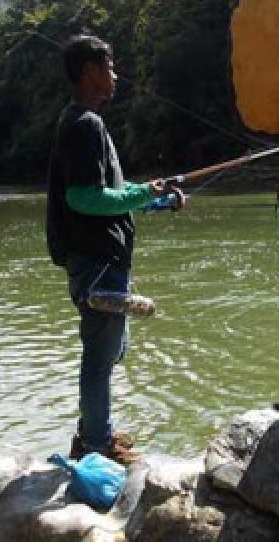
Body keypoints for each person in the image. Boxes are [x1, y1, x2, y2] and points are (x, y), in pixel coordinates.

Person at [46, 35, 184, 466]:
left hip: (100, 259)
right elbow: (84, 199)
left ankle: (94, 431)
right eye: (109, 67)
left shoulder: (83, 122)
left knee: (110, 349)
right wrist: (142, 192)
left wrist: (155, 199)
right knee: (101, 354)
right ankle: (94, 442)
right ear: (90, 72)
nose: (115, 75)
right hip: (97, 262)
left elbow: (111, 193)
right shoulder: (86, 124)